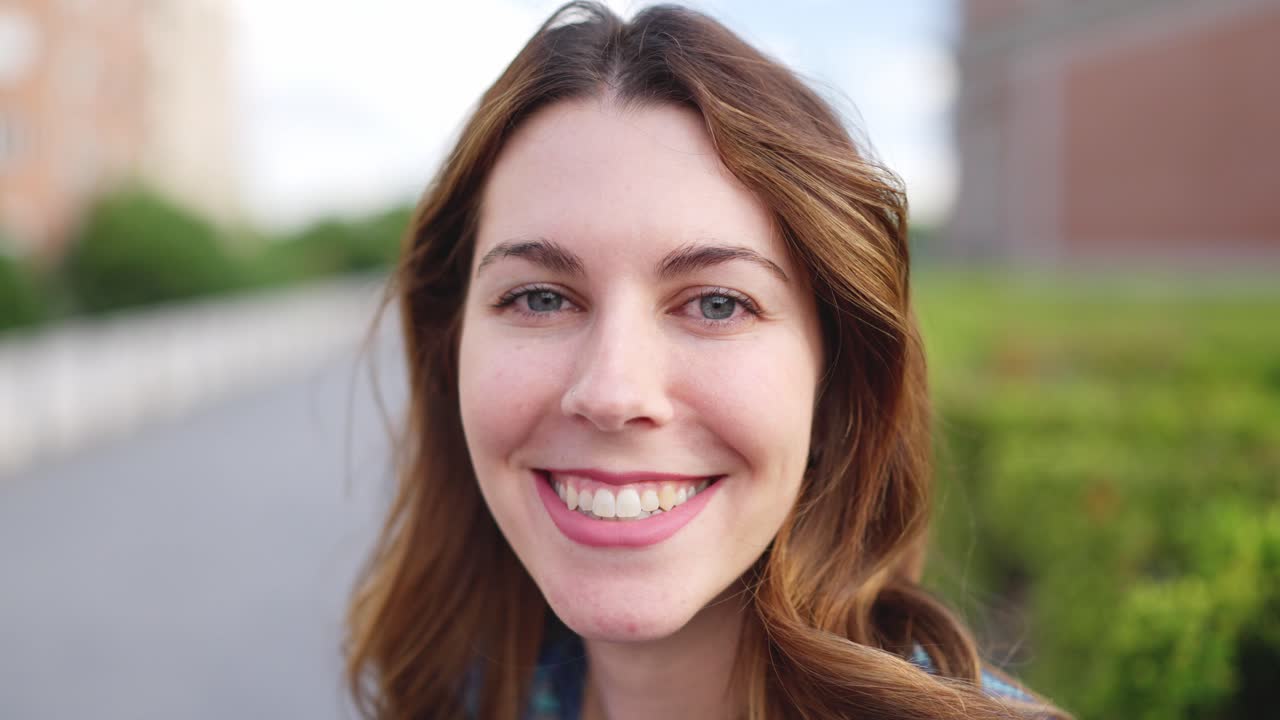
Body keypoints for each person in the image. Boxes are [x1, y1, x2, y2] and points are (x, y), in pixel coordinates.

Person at [345, 2, 1071, 718]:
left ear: (836, 379)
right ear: (452, 350)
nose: (612, 391)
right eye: (539, 298)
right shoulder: (460, 694)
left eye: (718, 304)